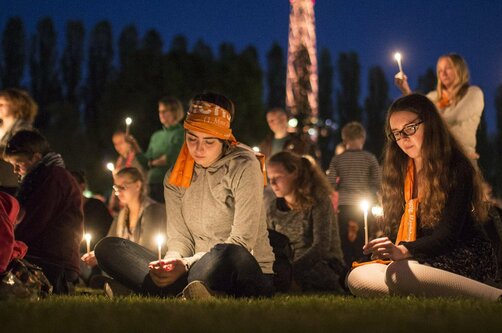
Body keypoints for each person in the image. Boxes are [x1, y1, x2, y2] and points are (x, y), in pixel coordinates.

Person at [346, 94, 502, 300]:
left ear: (430, 125)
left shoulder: (456, 168)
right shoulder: (398, 173)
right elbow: (398, 231)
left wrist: (403, 251)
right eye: (396, 133)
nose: (403, 138)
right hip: (416, 257)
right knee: (359, 276)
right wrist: (387, 249)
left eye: (410, 128)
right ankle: (416, 288)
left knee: (399, 272)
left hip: (460, 252)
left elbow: (447, 236)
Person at [95, 92, 275, 298]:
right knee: (108, 248)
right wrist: (172, 262)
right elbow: (179, 238)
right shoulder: (176, 175)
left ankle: (150, 290)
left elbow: (242, 241)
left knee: (228, 253)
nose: (198, 149)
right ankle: (179, 290)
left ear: (224, 139)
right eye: (192, 139)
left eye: (209, 142)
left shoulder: (244, 165)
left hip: (236, 268)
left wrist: (186, 264)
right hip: (191, 270)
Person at [3, 130, 83, 294]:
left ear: (36, 157)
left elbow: (33, 222)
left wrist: (9, 244)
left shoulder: (53, 178)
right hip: (47, 256)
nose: (15, 170)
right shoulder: (40, 177)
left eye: (18, 163)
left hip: (54, 261)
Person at [266, 151, 345, 292]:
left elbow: (321, 247)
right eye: (269, 178)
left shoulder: (318, 200)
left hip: (322, 264)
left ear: (294, 173)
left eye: (277, 177)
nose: (272, 183)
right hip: (287, 268)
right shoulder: (274, 208)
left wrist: (291, 271)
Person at [394, 53, 483, 162]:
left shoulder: (473, 93)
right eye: (440, 70)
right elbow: (417, 114)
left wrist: (427, 118)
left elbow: (455, 116)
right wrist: (406, 90)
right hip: (436, 157)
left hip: (461, 157)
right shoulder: (433, 97)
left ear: (460, 69)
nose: (443, 73)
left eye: (448, 68)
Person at [81, 167, 165, 273]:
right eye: (116, 188)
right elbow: (109, 243)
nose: (118, 192)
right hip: (126, 267)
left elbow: (148, 249)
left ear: (138, 185)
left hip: (147, 268)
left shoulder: (154, 210)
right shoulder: (121, 215)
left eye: (123, 187)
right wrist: (96, 255)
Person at [326, 121, 381, 267]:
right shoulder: (370, 158)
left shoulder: (337, 159)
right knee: (363, 237)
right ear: (362, 138)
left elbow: (330, 183)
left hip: (344, 205)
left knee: (344, 238)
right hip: (363, 204)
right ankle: (362, 265)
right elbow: (377, 181)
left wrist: (339, 187)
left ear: (344, 140)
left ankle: (346, 268)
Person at [135, 96, 185, 203]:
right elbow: (145, 162)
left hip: (170, 183)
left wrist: (151, 163)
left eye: (164, 111)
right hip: (151, 183)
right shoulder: (156, 136)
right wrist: (135, 147)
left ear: (175, 112)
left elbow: (170, 159)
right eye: (159, 111)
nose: (161, 114)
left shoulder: (180, 134)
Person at [0, 88, 37, 194]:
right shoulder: (2, 129)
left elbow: (19, 153)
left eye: (3, 103)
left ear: (17, 106)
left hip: (12, 183)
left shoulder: (24, 130)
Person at [109, 131, 144, 215]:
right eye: (115, 144)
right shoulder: (120, 161)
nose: (118, 147)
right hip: (122, 203)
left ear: (128, 142)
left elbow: (141, 180)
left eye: (121, 142)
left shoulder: (137, 159)